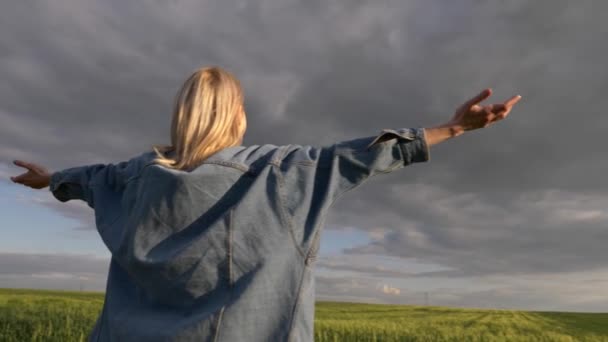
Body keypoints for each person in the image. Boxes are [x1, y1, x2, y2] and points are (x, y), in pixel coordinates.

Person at [9, 66, 521, 341]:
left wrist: (50, 180)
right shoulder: (276, 173)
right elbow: (363, 155)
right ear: (235, 115)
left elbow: (91, 178)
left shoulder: (136, 178)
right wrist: (455, 127)